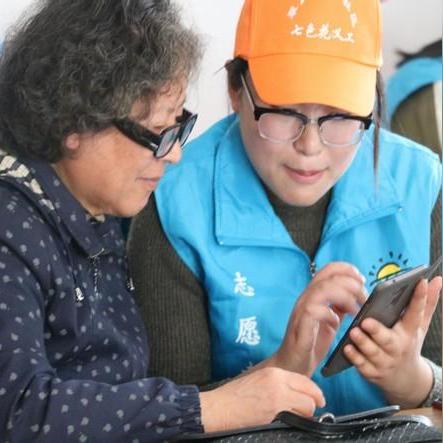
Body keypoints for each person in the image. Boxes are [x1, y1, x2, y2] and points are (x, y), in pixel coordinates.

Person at [0, 1, 328, 442]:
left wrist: (276, 373)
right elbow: (16, 412)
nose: (174, 154)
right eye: (157, 133)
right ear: (72, 121)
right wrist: (209, 409)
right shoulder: (11, 225)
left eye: (178, 127)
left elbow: (133, 410)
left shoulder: (98, 215)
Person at [128, 0, 443, 416]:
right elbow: (167, 418)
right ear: (236, 91)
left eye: (340, 115)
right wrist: (281, 368)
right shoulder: (172, 202)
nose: (310, 147)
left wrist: (415, 381)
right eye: (283, 112)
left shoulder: (423, 184)